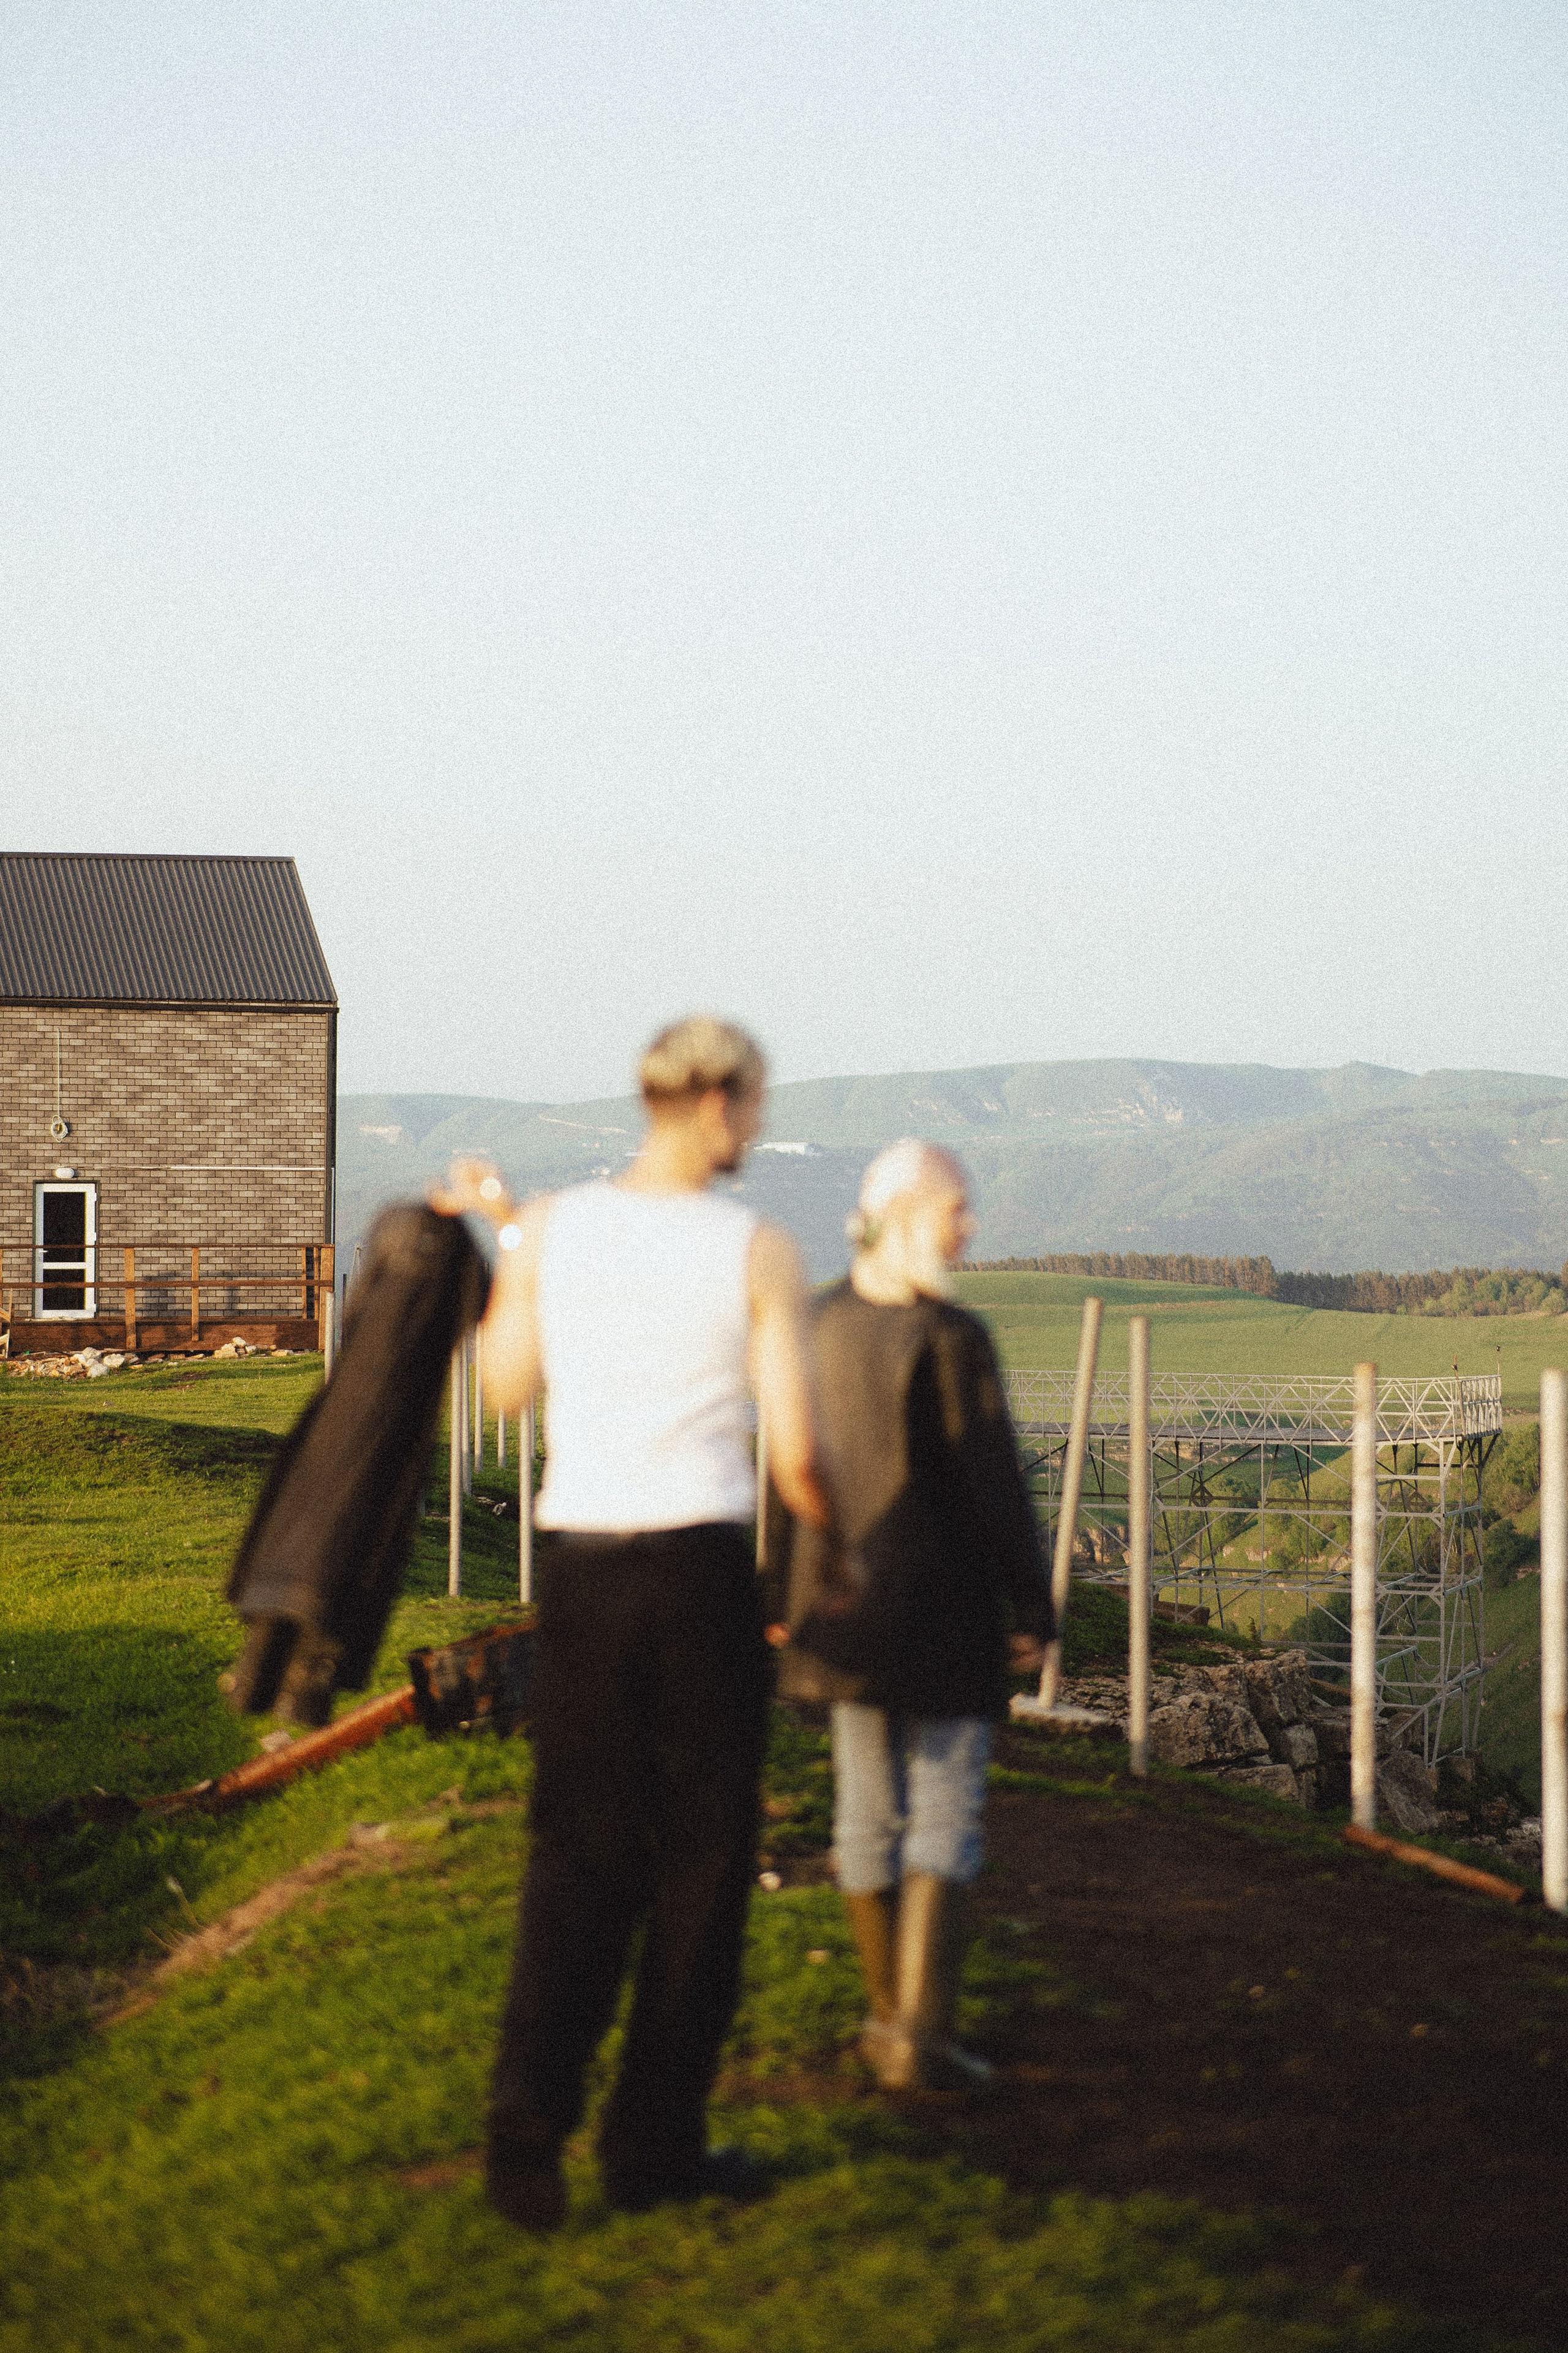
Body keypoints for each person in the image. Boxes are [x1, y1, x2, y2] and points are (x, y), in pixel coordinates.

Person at [432, 1017, 828, 2230]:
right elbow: (801, 1459)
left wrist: (508, 1257)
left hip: (582, 1570)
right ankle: (652, 2144)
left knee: (576, 1850)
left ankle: (524, 2131)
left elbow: (500, 1388)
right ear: (713, 1102)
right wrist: (837, 1561)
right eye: (754, 1105)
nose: (755, 1127)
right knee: (703, 1862)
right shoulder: (756, 1249)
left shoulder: (553, 1228)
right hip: (701, 1568)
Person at [766, 1139, 1051, 2092]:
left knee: (863, 1812)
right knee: (943, 1812)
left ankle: (888, 2018)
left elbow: (781, 1462)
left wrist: (778, 1594)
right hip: (946, 1613)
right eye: (957, 1209)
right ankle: (919, 2038)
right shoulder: (951, 1337)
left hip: (840, 1611)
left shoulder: (811, 1324)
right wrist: (1035, 1603)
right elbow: (996, 1485)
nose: (969, 1228)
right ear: (907, 1212)